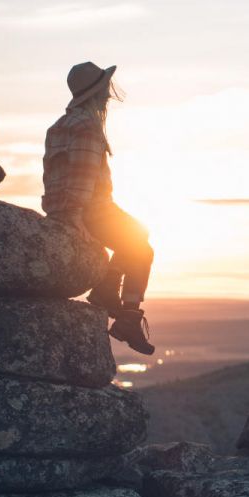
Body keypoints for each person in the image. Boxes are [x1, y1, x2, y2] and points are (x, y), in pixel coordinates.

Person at [41, 61, 156, 355]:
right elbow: (83, 172)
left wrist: (59, 212)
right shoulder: (87, 127)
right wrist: (76, 216)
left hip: (59, 207)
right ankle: (128, 316)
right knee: (142, 248)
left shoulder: (58, 126)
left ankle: (107, 291)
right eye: (105, 88)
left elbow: (51, 174)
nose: (108, 94)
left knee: (135, 236)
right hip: (90, 208)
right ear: (95, 92)